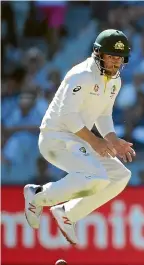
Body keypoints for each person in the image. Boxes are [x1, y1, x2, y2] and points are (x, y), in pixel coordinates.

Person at [23, 29, 135, 245]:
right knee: (97, 177)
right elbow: (68, 116)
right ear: (98, 53)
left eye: (119, 58)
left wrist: (111, 138)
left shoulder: (114, 81)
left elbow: (104, 114)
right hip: (55, 138)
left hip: (79, 140)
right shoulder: (81, 75)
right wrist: (96, 141)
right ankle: (36, 195)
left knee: (120, 176)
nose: (114, 63)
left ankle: (68, 213)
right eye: (110, 56)